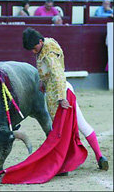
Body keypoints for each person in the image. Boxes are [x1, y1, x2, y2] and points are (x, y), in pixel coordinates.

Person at [22, 27, 109, 172]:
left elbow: (58, 75)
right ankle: (99, 157)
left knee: (60, 130)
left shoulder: (48, 54)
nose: (33, 51)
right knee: (79, 124)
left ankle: (65, 162)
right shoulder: (48, 44)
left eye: (34, 48)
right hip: (61, 90)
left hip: (60, 93)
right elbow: (52, 73)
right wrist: (43, 81)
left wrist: (61, 98)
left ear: (40, 41)